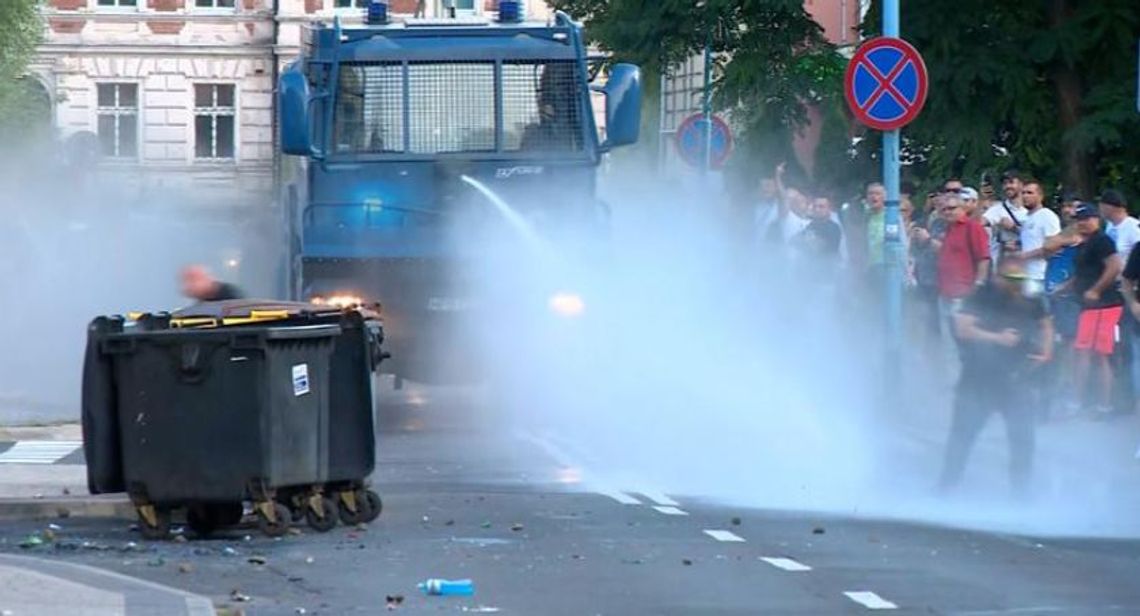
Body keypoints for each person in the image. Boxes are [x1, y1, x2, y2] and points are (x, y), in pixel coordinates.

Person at [938, 257, 1052, 497]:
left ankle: (1021, 494)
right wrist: (996, 338)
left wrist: (1046, 351)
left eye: (1019, 279)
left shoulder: (1031, 299)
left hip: (1016, 379)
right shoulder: (982, 296)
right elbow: (963, 328)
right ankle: (946, 488)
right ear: (998, 277)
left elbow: (1046, 324)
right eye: (1010, 279)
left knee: (1022, 438)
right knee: (963, 435)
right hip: (979, 378)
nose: (1016, 284)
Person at [1070, 205, 1124, 417]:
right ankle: (1081, 402)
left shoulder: (1102, 241)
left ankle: (1102, 406)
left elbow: (1115, 266)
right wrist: (1064, 287)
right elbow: (1083, 272)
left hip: (1105, 305)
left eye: (1086, 218)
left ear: (1096, 219)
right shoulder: (1085, 243)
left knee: (1099, 356)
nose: (1082, 222)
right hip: (1089, 306)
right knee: (1083, 353)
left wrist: (1095, 290)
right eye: (1079, 218)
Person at [1013, 180, 1062, 295]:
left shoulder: (1047, 216)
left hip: (1041, 275)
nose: (1025, 196)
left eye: (1030, 193)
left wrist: (1025, 256)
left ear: (1040, 196)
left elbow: (1054, 247)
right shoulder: (1026, 218)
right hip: (1026, 275)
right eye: (1023, 193)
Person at [982, 169, 1028, 266]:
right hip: (1000, 268)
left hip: (1027, 267)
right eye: (1005, 183)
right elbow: (979, 223)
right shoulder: (997, 210)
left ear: (1021, 185)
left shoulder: (1031, 211)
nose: (1008, 186)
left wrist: (1014, 228)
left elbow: (1040, 238)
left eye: (1011, 182)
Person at [1098, 189, 1139, 262]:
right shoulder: (1109, 226)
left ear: (1109, 207)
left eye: (1101, 206)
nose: (1100, 210)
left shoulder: (1133, 227)